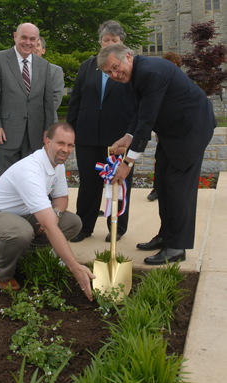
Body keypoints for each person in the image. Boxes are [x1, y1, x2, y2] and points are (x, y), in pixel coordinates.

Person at [97, 43, 216, 265]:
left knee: (177, 188)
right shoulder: (134, 76)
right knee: (162, 182)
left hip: (190, 129)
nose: (114, 74)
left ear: (128, 57)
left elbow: (147, 120)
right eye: (108, 72)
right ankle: (165, 237)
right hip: (171, 132)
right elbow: (140, 112)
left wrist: (127, 163)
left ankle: (176, 247)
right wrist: (127, 136)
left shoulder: (150, 72)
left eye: (116, 67)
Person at [0, 122, 95, 301]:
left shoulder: (57, 164)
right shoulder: (30, 170)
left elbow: (61, 199)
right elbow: (49, 226)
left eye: (70, 145)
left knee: (73, 223)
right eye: (60, 143)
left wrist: (56, 214)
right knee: (21, 232)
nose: (66, 150)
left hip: (22, 215)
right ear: (47, 142)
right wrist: (74, 267)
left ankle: (20, 253)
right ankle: (2, 273)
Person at [66, 20, 136, 243]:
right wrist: (70, 131)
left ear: (121, 43)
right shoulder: (87, 66)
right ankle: (84, 226)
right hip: (87, 136)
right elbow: (75, 100)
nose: (109, 44)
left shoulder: (129, 68)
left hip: (118, 138)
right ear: (100, 42)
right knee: (88, 183)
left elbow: (137, 103)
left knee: (118, 182)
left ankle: (117, 228)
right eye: (106, 40)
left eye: (114, 41)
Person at [0, 23, 54, 180]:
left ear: (37, 41)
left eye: (32, 39)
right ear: (15, 36)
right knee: (6, 183)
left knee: (31, 183)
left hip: (35, 137)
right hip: (6, 135)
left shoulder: (44, 65)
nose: (28, 42)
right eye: (24, 37)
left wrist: (49, 128)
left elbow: (48, 101)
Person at [147, 52, 182, 202]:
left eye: (174, 64)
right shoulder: (159, 82)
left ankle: (174, 193)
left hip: (180, 133)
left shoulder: (182, 83)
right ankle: (156, 190)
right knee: (160, 163)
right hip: (163, 132)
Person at [33, 37, 64, 123]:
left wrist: (33, 115)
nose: (34, 48)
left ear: (43, 50)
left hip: (46, 122)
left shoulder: (55, 70)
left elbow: (56, 98)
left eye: (37, 45)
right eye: (32, 45)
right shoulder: (19, 69)